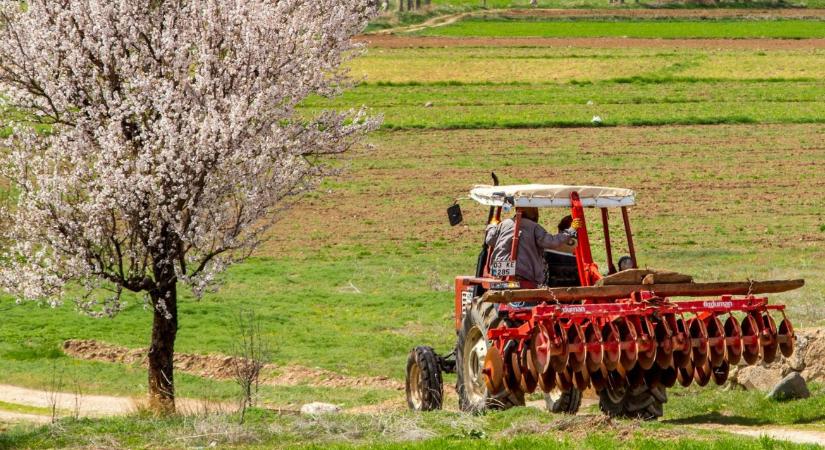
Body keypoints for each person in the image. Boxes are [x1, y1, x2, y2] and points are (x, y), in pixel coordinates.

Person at [485, 207, 579, 286]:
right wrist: (571, 230)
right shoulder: (534, 227)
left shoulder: (503, 224)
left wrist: (492, 226)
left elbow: (490, 240)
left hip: (499, 271)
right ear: (533, 214)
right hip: (523, 274)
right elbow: (552, 242)